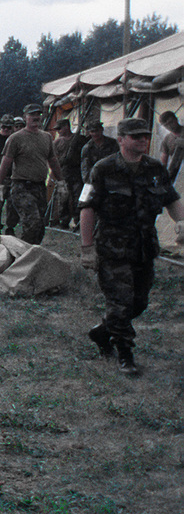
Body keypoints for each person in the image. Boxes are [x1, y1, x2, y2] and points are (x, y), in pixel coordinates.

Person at [78, 117, 184, 375]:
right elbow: (87, 208)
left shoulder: (155, 168)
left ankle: (102, 332)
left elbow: (171, 199)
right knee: (120, 301)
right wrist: (87, 247)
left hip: (144, 247)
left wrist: (181, 222)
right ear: (122, 140)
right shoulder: (102, 169)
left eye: (146, 136)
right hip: (113, 248)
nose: (143, 140)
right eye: (136, 136)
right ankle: (124, 352)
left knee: (139, 302)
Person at [0, 103, 61, 245]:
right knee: (33, 222)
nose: (35, 117)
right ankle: (21, 255)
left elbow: (53, 161)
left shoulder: (47, 137)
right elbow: (5, 163)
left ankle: (32, 254)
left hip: (40, 187)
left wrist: (61, 182)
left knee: (40, 227)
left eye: (38, 114)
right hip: (21, 186)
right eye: (32, 115)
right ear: (25, 117)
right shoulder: (16, 138)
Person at [51, 118, 80, 228]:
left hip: (77, 173)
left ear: (66, 127)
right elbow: (53, 158)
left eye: (60, 128)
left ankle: (78, 221)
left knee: (77, 198)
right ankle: (63, 221)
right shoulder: (57, 142)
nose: (58, 131)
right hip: (63, 173)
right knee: (63, 198)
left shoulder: (78, 139)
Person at [80, 120, 116, 188]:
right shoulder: (87, 148)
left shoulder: (113, 143)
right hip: (95, 181)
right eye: (92, 131)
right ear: (89, 133)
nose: (95, 134)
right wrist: (88, 184)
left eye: (97, 131)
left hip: (111, 180)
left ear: (102, 130)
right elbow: (85, 168)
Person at [159, 110, 182, 183]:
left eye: (171, 122)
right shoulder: (167, 139)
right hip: (178, 174)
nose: (169, 126)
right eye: (166, 125)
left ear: (176, 119)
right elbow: (164, 160)